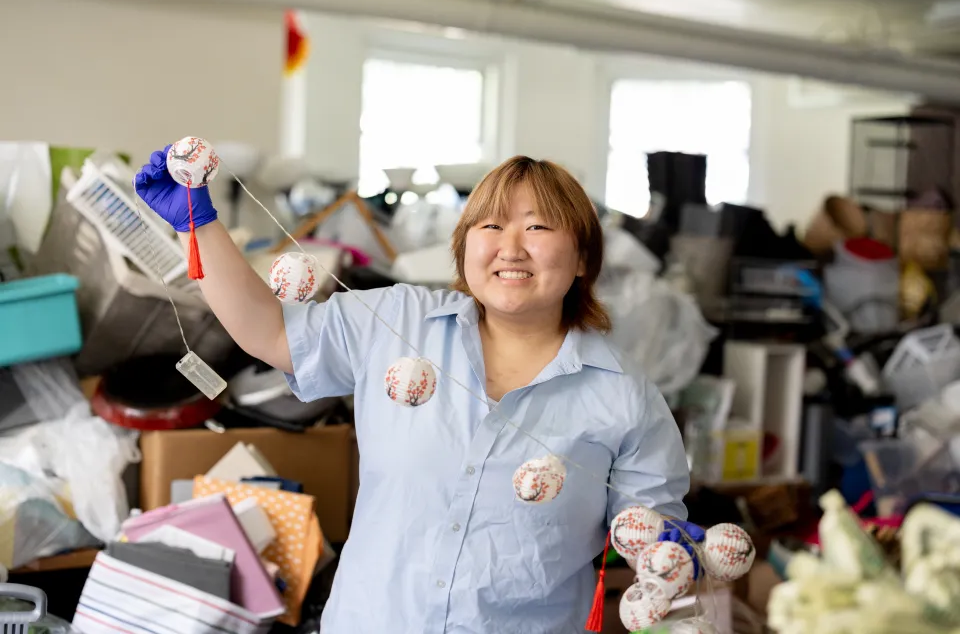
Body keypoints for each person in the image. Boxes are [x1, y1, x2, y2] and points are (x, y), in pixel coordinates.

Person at [135, 148, 691, 633]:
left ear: (583, 260)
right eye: (490, 226)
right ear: (464, 246)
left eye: (539, 228)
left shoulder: (624, 397)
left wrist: (675, 557)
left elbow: (652, 543)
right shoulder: (398, 323)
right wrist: (196, 222)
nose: (511, 247)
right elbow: (272, 331)